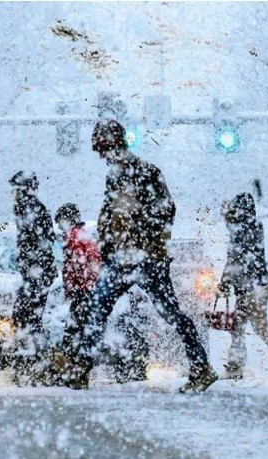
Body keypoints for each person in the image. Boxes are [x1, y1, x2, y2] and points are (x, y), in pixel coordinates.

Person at [55, 119, 217, 393]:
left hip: (145, 258)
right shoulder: (115, 176)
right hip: (122, 258)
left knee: (169, 313)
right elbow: (109, 215)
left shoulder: (146, 172)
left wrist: (136, 229)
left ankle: (201, 366)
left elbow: (167, 211)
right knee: (99, 310)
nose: (103, 157)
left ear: (115, 145)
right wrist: (108, 243)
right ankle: (81, 369)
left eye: (104, 149)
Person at [217, 192, 268, 379]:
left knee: (258, 326)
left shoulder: (241, 229)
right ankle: (235, 365)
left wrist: (224, 282)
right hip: (253, 284)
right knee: (238, 325)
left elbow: (235, 260)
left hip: (253, 286)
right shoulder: (252, 226)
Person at [9, 171, 57, 382]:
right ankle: (35, 361)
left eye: (17, 190)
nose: (14, 194)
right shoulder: (31, 209)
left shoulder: (31, 209)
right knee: (26, 317)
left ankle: (39, 361)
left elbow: (39, 245)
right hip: (34, 274)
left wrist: (32, 269)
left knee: (27, 317)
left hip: (37, 275)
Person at [54, 203, 101, 359]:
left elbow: (80, 266)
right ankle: (73, 361)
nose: (60, 228)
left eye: (61, 222)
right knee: (79, 328)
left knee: (74, 329)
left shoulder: (74, 238)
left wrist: (78, 288)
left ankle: (71, 364)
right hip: (87, 291)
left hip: (83, 292)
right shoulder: (82, 235)